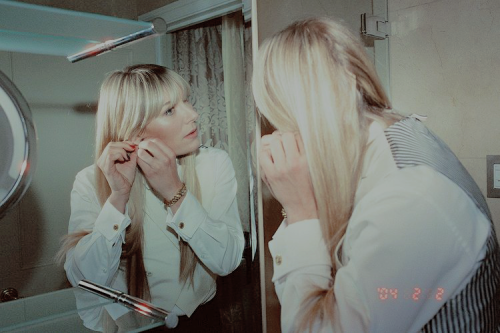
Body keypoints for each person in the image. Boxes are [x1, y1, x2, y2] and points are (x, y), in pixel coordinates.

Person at [253, 17, 500, 332]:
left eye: (282, 121)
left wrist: (300, 211)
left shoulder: (409, 201)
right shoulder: (389, 137)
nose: (280, 135)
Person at [57, 64, 244, 332]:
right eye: (170, 110)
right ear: (133, 130)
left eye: (186, 101)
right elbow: (86, 279)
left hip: (203, 321)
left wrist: (175, 192)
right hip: (133, 327)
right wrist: (118, 198)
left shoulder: (214, 165)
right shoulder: (91, 182)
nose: (193, 114)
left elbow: (227, 262)